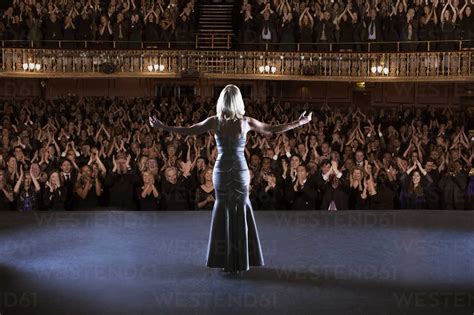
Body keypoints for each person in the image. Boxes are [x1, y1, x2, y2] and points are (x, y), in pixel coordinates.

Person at [149, 84, 312, 274]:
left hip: (222, 169)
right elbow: (273, 129)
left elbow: (190, 130)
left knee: (223, 208)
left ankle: (223, 258)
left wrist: (163, 126)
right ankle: (242, 259)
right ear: (239, 101)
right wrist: (299, 123)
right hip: (240, 169)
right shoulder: (246, 121)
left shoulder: (215, 121)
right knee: (241, 208)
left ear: (221, 102)